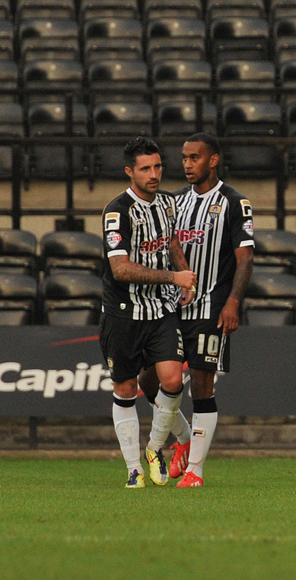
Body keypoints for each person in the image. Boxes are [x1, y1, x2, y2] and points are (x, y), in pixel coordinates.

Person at [138, 133, 255, 488]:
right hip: (173, 308)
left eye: (195, 158)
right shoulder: (174, 202)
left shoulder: (234, 202)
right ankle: (185, 439)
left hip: (211, 307)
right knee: (149, 379)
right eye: (184, 158)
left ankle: (196, 472)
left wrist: (233, 301)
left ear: (213, 160)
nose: (187, 164)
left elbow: (245, 258)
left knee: (202, 388)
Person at [100, 137, 197, 488]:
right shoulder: (117, 212)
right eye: (145, 169)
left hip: (161, 310)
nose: (154, 174)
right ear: (130, 171)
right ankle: (133, 469)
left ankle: (155, 448)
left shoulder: (168, 203)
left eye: (157, 166)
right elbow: (121, 269)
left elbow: (171, 243)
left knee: (172, 381)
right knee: (126, 388)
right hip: (123, 313)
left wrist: (183, 276)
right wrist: (174, 277)